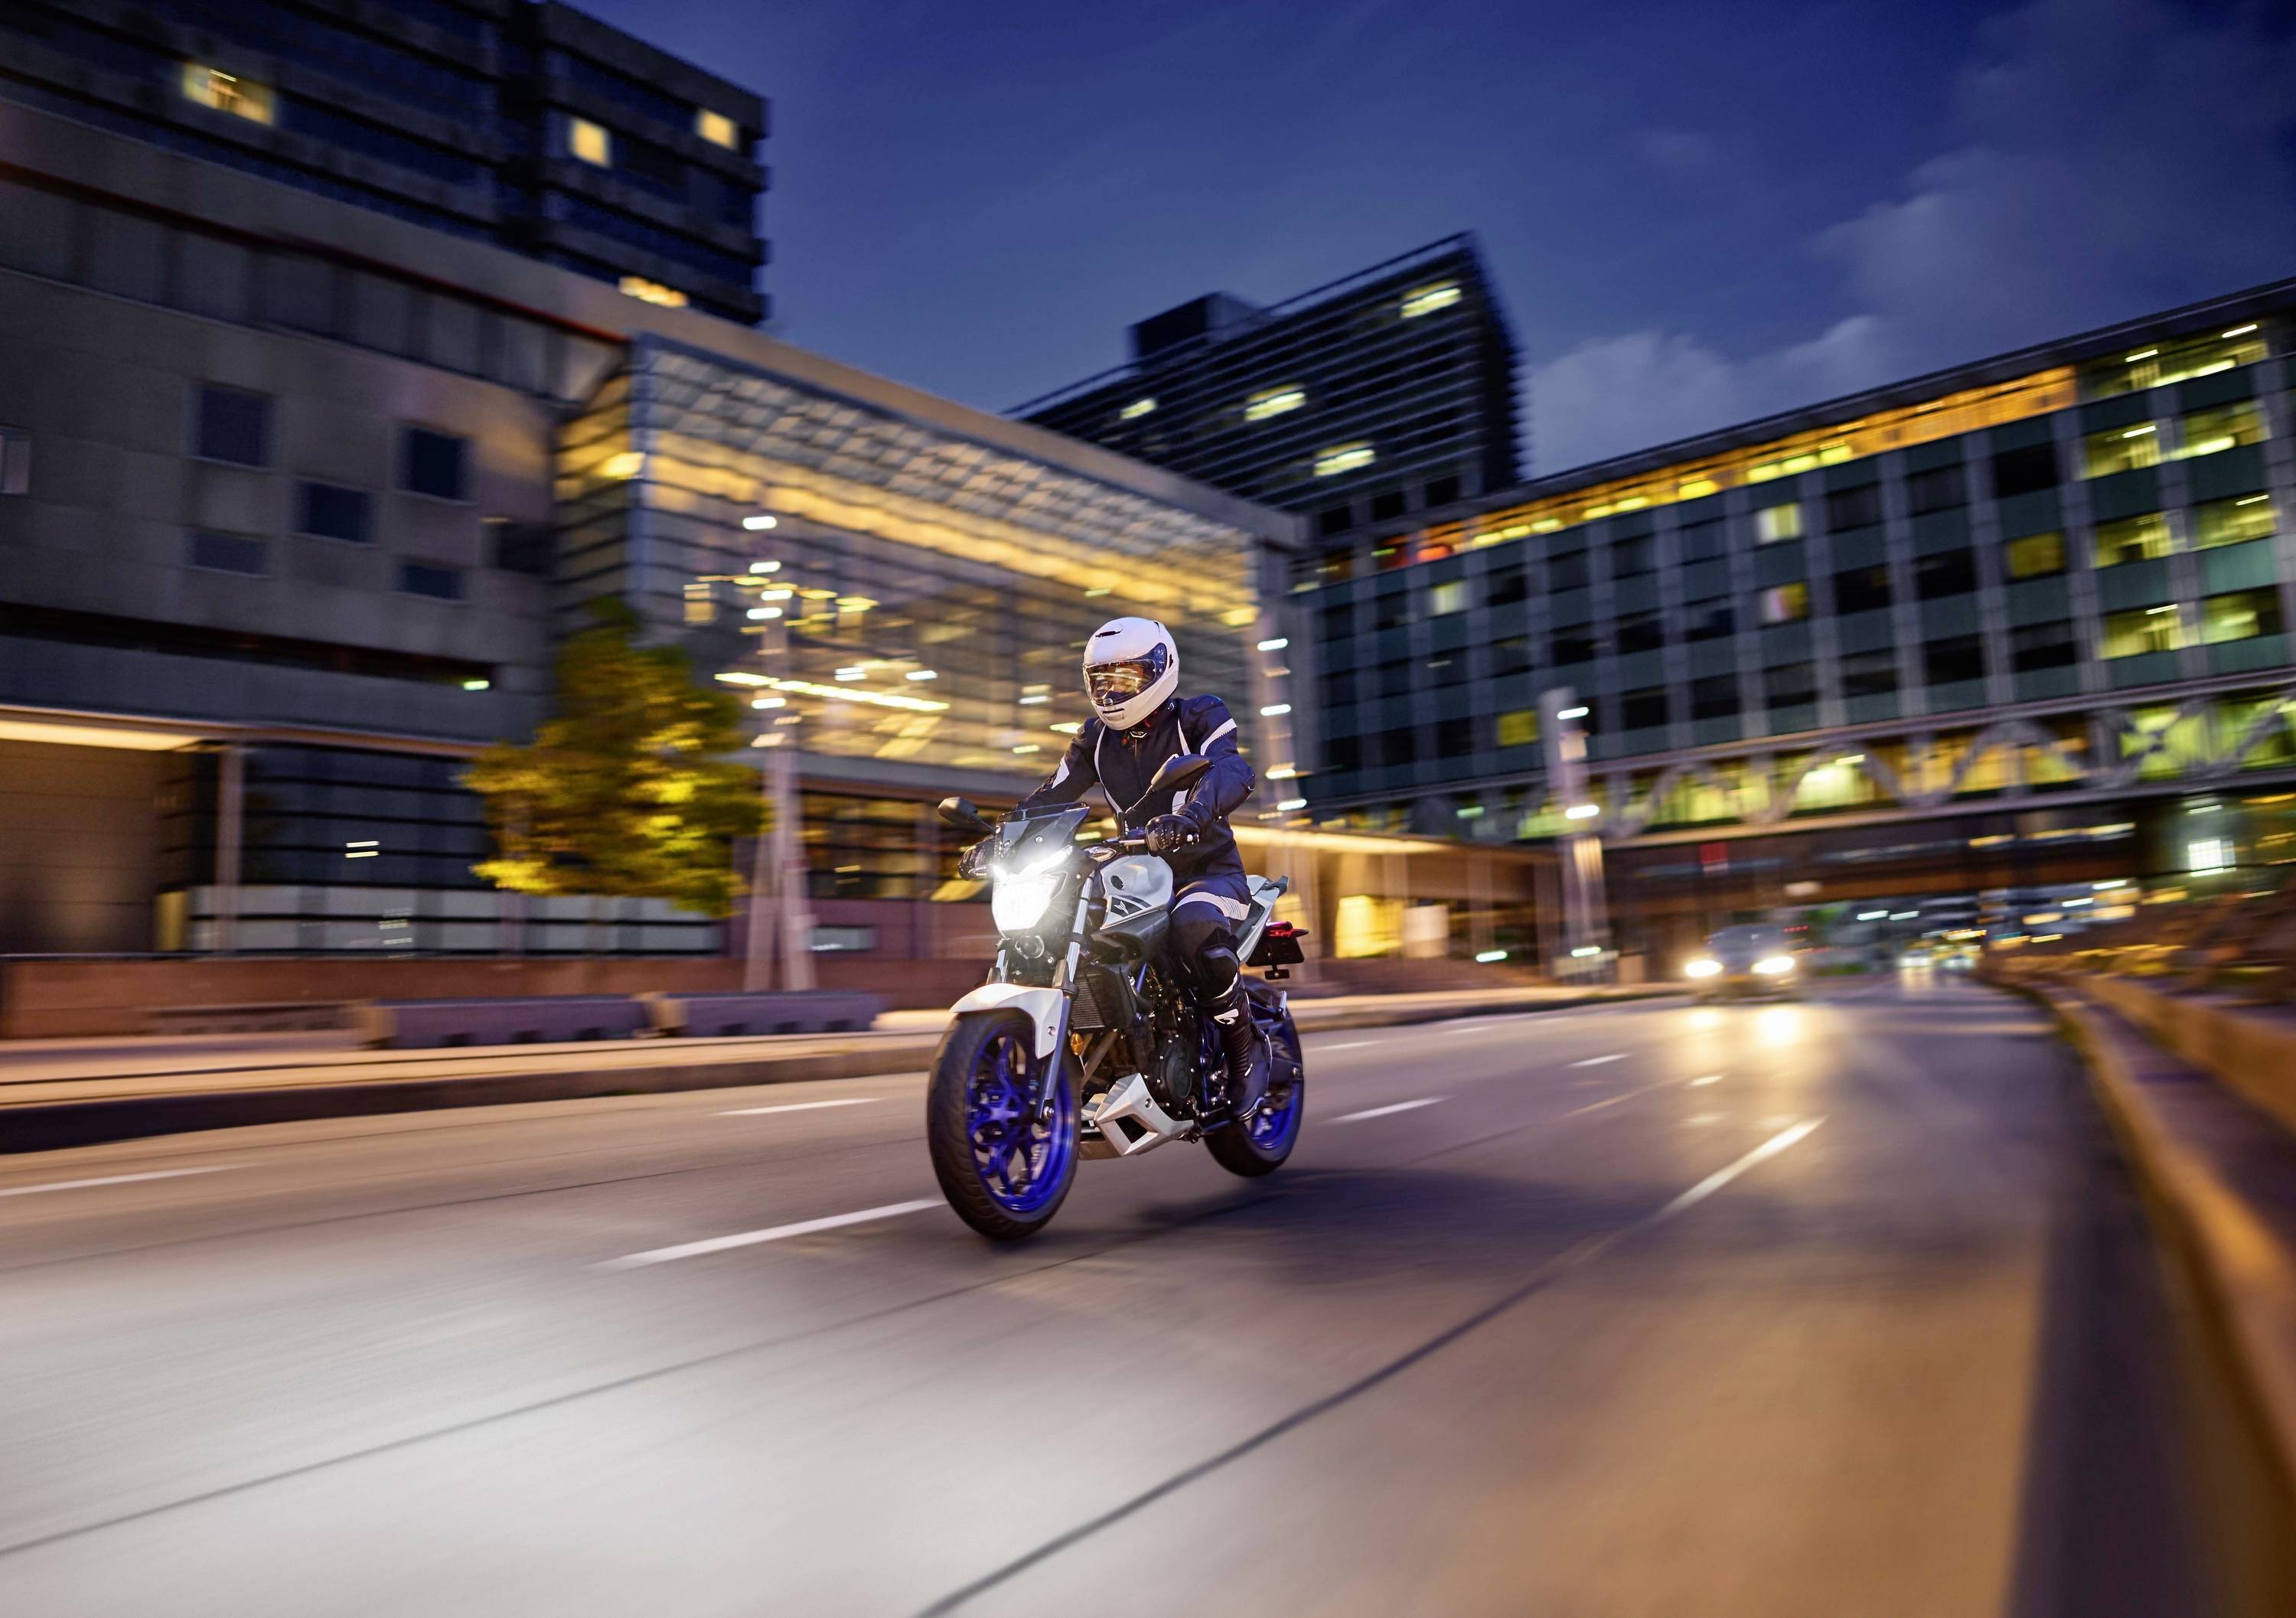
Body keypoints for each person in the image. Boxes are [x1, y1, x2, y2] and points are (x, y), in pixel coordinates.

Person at [1006, 616, 1265, 1117]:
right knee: (1053, 924)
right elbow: (1050, 795)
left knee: (1194, 927)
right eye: (1102, 680)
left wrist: (1189, 817)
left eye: (1126, 677)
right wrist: (1002, 839)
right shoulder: (1095, 739)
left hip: (1205, 871)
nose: (1112, 691)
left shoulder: (1198, 716)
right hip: (1134, 871)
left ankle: (1244, 1053)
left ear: (1161, 670)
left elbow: (1233, 769)